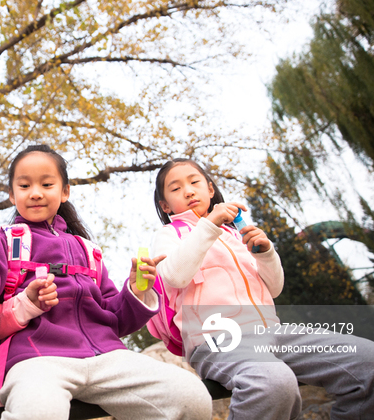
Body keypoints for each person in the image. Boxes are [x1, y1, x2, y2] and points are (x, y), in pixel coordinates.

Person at [0, 145, 212, 420]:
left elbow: (115, 318)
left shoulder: (88, 250)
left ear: (65, 192)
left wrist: (137, 291)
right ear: (12, 195)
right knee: (39, 412)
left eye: (47, 185)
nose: (35, 193)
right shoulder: (4, 241)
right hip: (36, 359)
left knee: (192, 399)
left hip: (107, 355)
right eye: (24, 186)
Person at [152, 158, 374, 420]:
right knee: (274, 384)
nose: (188, 191)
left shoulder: (235, 234)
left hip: (272, 331)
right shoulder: (170, 236)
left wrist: (266, 253)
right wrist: (209, 225)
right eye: (175, 189)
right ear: (165, 205)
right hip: (219, 339)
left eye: (194, 182)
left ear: (210, 190)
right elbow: (175, 276)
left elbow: (275, 288)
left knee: (366, 362)